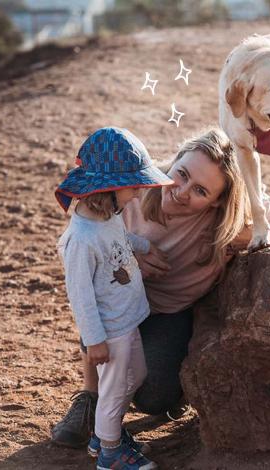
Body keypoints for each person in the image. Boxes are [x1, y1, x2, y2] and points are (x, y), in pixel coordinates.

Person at [51, 127, 270, 450]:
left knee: (155, 395)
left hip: (168, 312)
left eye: (201, 191)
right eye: (181, 173)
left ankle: (166, 389)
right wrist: (128, 264)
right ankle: (90, 397)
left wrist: (261, 233)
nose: (182, 191)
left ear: (218, 203)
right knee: (98, 305)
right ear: (175, 160)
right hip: (116, 302)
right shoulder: (132, 187)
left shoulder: (231, 216)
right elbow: (82, 248)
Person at [56, 127, 173, 469]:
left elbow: (122, 238)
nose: (138, 194)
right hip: (109, 329)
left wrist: (145, 246)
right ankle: (109, 453)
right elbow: (80, 296)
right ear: (107, 188)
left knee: (134, 376)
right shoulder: (80, 239)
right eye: (133, 186)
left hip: (128, 317)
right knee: (113, 389)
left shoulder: (110, 215)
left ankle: (103, 436)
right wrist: (94, 341)